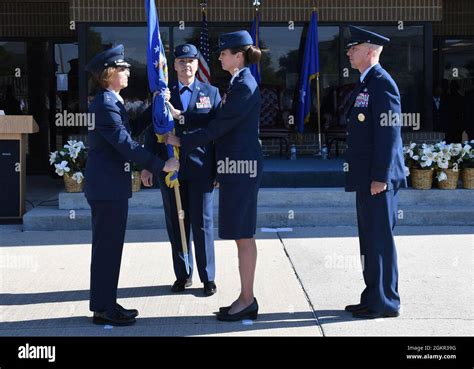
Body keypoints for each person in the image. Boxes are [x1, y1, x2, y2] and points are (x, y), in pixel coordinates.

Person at [165, 31, 263, 321]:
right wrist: (180, 116)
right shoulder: (237, 83)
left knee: (243, 234)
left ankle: (247, 299)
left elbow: (219, 127)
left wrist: (182, 141)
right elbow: (212, 119)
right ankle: (245, 297)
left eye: (224, 52)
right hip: (235, 168)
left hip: (242, 168)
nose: (219, 57)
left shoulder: (244, 85)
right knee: (239, 234)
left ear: (238, 55)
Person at [84, 44, 179, 326]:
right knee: (107, 248)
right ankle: (103, 309)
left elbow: (132, 130)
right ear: (109, 73)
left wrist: (157, 104)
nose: (127, 72)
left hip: (109, 187)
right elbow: (125, 144)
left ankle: (105, 304)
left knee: (109, 247)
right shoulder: (104, 104)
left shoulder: (111, 101)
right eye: (122, 68)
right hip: (106, 188)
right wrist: (161, 165)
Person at [141, 44, 221, 296]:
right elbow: (151, 131)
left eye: (191, 61)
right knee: (177, 224)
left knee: (203, 224)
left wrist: (219, 169)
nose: (187, 65)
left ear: (198, 65)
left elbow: (217, 133)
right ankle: (183, 275)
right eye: (182, 61)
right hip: (170, 169)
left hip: (201, 168)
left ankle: (208, 277)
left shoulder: (212, 92)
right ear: (173, 65)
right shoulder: (163, 94)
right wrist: (148, 165)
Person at [344, 26, 407, 319]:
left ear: (370, 51)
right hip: (366, 177)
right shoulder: (366, 82)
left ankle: (386, 302)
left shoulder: (382, 83)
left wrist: (380, 176)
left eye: (354, 48)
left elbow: (389, 134)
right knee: (369, 240)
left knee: (379, 239)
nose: (349, 52)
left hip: (378, 179)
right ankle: (372, 296)